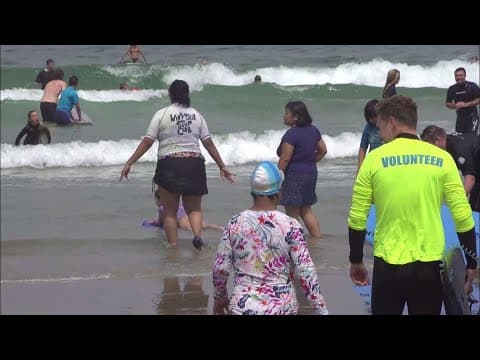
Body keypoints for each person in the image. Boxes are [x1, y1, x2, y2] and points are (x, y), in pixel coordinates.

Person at [347, 95, 477, 315]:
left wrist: (356, 260)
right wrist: (471, 263)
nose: (379, 133)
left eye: (380, 126)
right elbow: (463, 216)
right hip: (429, 267)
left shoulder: (374, 159)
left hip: (388, 266)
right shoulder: (442, 158)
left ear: (392, 122)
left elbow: (357, 217)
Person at [120, 79, 234, 250]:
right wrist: (221, 165)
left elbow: (147, 142)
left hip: (170, 163)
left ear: (170, 94)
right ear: (187, 94)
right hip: (194, 163)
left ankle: (173, 246)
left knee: (170, 211)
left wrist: (130, 162)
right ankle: (196, 237)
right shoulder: (197, 115)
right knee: (194, 208)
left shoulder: (162, 114)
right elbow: (208, 143)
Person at [212, 161, 329, 315]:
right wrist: (320, 308)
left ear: (252, 193)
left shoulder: (235, 222)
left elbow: (220, 268)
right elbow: (305, 270)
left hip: (243, 306)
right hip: (281, 307)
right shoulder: (290, 225)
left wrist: (220, 298)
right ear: (278, 193)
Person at [276, 101, 327, 238]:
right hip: (311, 173)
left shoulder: (291, 135)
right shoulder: (313, 130)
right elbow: (323, 150)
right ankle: (317, 238)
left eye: (287, 113)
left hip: (294, 175)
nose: (284, 116)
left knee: (292, 211)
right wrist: (310, 161)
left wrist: (277, 176)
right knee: (306, 209)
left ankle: (296, 241)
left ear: (296, 117)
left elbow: (285, 158)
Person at [420, 125, 480, 212]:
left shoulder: (459, 148)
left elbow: (470, 179)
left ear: (438, 139)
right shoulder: (448, 144)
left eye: (431, 147)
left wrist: (456, 203)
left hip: (476, 177)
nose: (430, 151)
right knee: (473, 210)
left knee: (475, 210)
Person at [148, 189, 224, 231]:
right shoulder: (177, 204)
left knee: (189, 230)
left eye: (156, 200)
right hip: (190, 215)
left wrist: (154, 223)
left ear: (160, 200)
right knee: (205, 226)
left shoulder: (163, 208)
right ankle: (221, 228)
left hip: (182, 220)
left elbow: (160, 222)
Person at [445, 67, 480, 135]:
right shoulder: (452, 88)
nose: (459, 77)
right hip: (460, 119)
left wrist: (465, 104)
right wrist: (455, 106)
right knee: (459, 138)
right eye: (457, 76)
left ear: (465, 76)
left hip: (472, 117)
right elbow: (447, 103)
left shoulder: (472, 86)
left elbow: (478, 100)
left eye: (461, 75)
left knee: (471, 138)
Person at [357, 99, 382, 172]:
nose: (373, 120)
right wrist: (360, 170)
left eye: (374, 117)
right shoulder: (369, 127)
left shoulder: (388, 126)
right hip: (372, 163)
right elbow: (362, 148)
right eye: (370, 118)